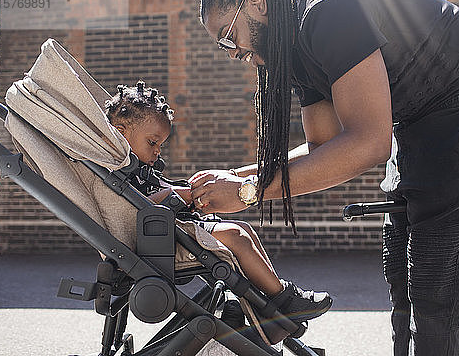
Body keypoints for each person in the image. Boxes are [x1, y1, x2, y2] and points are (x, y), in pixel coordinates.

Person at [190, 0, 459, 354]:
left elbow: (367, 144)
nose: (230, 52)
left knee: (437, 284)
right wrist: (233, 177)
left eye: (228, 37)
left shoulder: (328, 11)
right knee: (402, 276)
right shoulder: (294, 48)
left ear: (256, 2)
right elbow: (324, 146)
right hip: (420, 118)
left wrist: (249, 191)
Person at [104, 80, 332, 323]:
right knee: (235, 234)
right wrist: (185, 195)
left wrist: (188, 188)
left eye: (160, 145)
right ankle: (283, 300)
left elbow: (157, 194)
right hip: (155, 241)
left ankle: (265, 302)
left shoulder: (137, 166)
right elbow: (139, 206)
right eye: (152, 142)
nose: (158, 151)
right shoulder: (117, 170)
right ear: (121, 132)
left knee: (244, 230)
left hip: (168, 232)